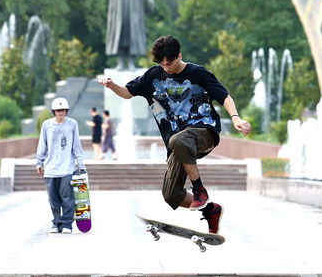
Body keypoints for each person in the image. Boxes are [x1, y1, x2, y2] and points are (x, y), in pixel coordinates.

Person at [97, 35, 251, 234]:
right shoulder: (153, 75)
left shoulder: (198, 73)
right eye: (161, 64)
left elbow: (224, 96)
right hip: (178, 143)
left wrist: (236, 118)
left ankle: (199, 190)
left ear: (179, 56)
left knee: (179, 139)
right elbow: (128, 92)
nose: (166, 68)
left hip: (204, 131)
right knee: (171, 195)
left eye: (169, 63)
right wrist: (112, 86)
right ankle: (211, 210)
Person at [35, 97, 86, 234]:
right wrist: (39, 162)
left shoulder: (72, 124)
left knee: (67, 197)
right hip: (50, 168)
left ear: (66, 110)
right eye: (58, 110)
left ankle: (67, 224)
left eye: (63, 110)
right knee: (53, 198)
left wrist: (81, 164)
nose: (60, 112)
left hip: (67, 168)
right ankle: (56, 223)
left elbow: (76, 145)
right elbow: (42, 144)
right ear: (54, 111)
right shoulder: (47, 125)